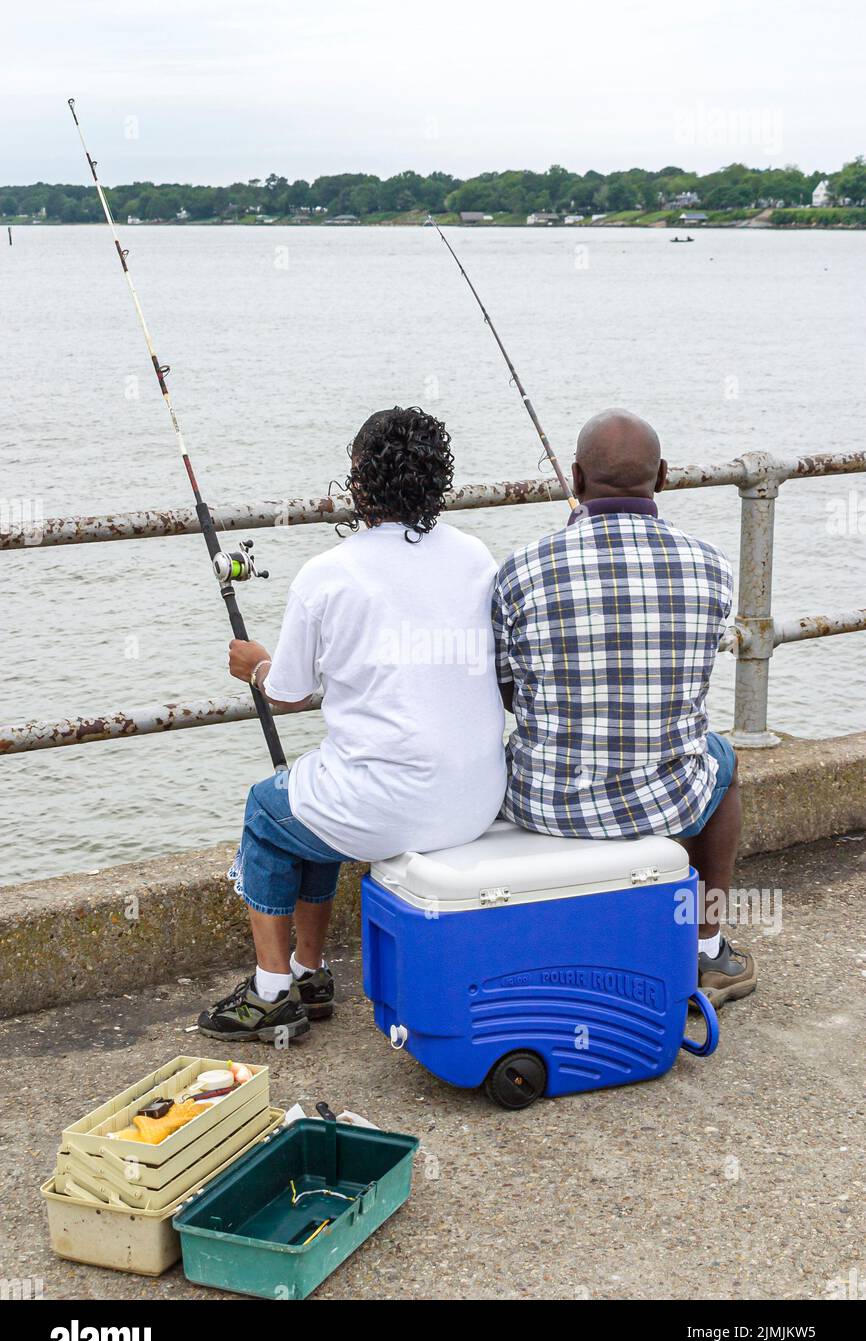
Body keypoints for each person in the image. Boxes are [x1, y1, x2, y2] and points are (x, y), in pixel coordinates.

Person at [198, 406, 506, 1042]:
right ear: (436, 480)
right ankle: (309, 972)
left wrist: (255, 666)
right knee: (310, 802)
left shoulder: (327, 573)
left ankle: (270, 990)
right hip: (477, 798)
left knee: (267, 808)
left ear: (360, 482)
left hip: (398, 804)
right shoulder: (475, 555)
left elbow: (287, 692)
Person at [492, 408, 756, 1009]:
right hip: (665, 800)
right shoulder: (711, 566)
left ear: (577, 480)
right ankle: (707, 946)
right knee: (722, 761)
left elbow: (508, 693)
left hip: (546, 801)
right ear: (662, 477)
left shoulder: (520, 569)